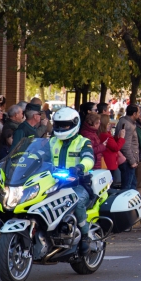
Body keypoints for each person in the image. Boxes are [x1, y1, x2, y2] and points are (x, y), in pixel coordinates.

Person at [49, 107, 95, 254]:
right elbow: (37, 156)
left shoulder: (83, 142)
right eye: (59, 125)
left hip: (78, 183)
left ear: (75, 124)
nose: (62, 128)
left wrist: (80, 167)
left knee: (77, 201)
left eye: (66, 125)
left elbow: (89, 158)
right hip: (54, 183)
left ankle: (85, 235)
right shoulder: (51, 142)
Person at [99, 114, 125, 188]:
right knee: (111, 184)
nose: (109, 125)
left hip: (108, 162)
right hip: (109, 163)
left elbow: (112, 142)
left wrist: (117, 137)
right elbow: (116, 147)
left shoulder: (104, 134)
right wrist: (122, 138)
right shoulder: (105, 135)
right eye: (107, 124)